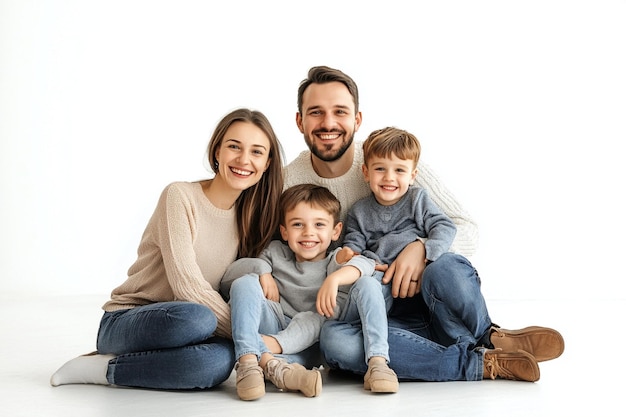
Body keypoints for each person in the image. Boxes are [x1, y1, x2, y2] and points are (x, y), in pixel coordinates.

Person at [284, 65, 565, 383]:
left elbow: (464, 227)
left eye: (340, 111)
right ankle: (480, 364)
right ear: (300, 121)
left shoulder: (390, 157)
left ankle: (489, 335)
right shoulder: (290, 183)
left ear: (357, 119)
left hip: (435, 300)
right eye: (316, 112)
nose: (329, 123)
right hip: (384, 316)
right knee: (335, 341)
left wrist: (421, 252)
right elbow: (316, 253)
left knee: (445, 266)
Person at [50, 108, 285, 390]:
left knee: (219, 363)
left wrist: (263, 274)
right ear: (217, 151)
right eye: (234, 146)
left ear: (268, 163)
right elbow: (187, 287)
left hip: (198, 326)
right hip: (130, 320)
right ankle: (101, 365)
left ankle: (110, 369)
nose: (244, 160)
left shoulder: (250, 217)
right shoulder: (180, 196)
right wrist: (251, 341)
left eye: (256, 152)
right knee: (197, 318)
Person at [220, 183, 397, 400]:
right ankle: (250, 363)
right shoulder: (275, 253)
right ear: (284, 231)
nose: (308, 233)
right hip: (273, 326)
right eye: (297, 224)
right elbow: (227, 280)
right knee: (245, 282)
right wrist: (262, 271)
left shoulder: (336, 260)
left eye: (319, 224)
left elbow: (367, 266)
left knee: (366, 285)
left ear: (336, 231)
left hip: (306, 344)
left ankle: (378, 363)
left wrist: (334, 279)